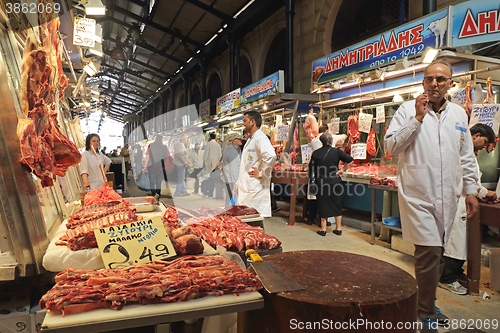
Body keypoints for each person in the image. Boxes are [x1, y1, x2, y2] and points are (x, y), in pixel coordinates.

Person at [384, 60, 479, 331]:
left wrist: (470, 191)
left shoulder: (460, 115)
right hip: (418, 194)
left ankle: (425, 301)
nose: (434, 83)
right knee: (429, 253)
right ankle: (424, 311)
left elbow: (466, 157)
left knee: (438, 255)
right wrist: (417, 118)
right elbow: (391, 146)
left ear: (451, 83)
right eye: (429, 79)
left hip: (448, 195)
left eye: (440, 79)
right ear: (423, 83)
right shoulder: (407, 110)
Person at [439, 123, 497, 295]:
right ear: (476, 136)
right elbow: (468, 182)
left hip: (461, 202)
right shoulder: (461, 152)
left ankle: (455, 273)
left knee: (459, 242)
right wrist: (488, 193)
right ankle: (446, 278)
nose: (485, 147)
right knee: (455, 242)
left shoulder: (468, 153)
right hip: (458, 203)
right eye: (485, 142)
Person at [309, 132, 353, 236]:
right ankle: (338, 229)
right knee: (336, 203)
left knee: (322, 203)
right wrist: (342, 170)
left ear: (321, 142)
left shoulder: (316, 153)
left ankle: (323, 229)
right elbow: (350, 160)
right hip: (335, 181)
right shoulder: (337, 151)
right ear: (331, 141)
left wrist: (312, 179)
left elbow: (311, 170)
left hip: (321, 182)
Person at [233, 111, 276, 217]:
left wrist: (262, 173)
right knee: (247, 224)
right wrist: (238, 184)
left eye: (245, 121)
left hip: (255, 189)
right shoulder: (250, 139)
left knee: (254, 224)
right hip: (247, 188)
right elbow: (245, 165)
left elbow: (271, 155)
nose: (243, 123)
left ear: (252, 122)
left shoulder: (260, 138)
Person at [307, 124, 329, 226]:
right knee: (322, 197)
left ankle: (311, 218)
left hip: (313, 172)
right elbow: (343, 137)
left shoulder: (313, 142)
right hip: (324, 173)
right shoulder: (328, 140)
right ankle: (322, 220)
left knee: (312, 195)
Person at [222, 132, 242, 206]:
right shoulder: (231, 150)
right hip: (231, 180)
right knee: (231, 202)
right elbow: (233, 169)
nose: (241, 140)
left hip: (230, 180)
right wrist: (235, 184)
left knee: (230, 200)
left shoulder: (232, 149)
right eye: (239, 139)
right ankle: (228, 216)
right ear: (233, 141)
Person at [202, 133, 222, 198]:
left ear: (210, 137)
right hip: (216, 164)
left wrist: (204, 162)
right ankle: (211, 193)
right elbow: (220, 155)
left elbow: (206, 154)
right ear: (215, 138)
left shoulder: (208, 144)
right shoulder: (218, 145)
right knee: (213, 179)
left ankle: (205, 192)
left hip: (209, 163)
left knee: (207, 178)